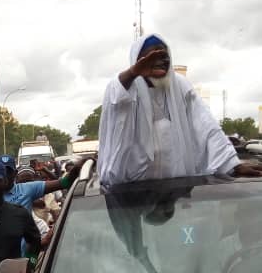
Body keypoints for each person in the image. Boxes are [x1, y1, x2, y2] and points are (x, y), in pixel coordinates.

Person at [98, 33, 262, 187]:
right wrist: (134, 72)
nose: (160, 60)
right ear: (138, 60)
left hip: (177, 190)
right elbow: (116, 97)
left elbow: (207, 127)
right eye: (151, 56)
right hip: (130, 192)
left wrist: (232, 164)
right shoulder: (126, 87)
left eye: (163, 56)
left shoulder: (180, 86)